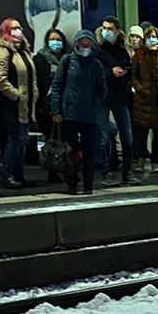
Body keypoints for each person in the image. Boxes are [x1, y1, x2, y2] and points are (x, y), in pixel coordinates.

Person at [49, 30, 109, 196]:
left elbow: (102, 90)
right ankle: (72, 184)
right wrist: (56, 110)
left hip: (89, 116)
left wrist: (94, 103)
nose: (85, 47)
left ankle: (88, 185)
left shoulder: (96, 65)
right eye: (81, 43)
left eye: (88, 43)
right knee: (70, 152)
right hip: (69, 115)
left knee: (89, 152)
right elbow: (57, 86)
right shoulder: (67, 61)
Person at [0, 18, 39, 189]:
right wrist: (16, 95)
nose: (18, 31)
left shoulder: (24, 51)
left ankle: (18, 174)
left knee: (21, 139)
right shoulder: (2, 50)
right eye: (14, 28)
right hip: (10, 105)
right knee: (16, 139)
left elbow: (31, 76)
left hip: (25, 104)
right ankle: (6, 171)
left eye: (19, 28)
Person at [95, 16, 139, 187]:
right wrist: (109, 73)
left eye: (110, 28)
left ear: (118, 31)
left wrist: (124, 74)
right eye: (104, 28)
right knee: (103, 136)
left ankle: (128, 170)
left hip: (120, 97)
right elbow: (96, 74)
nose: (106, 31)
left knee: (127, 136)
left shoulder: (122, 50)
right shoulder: (97, 50)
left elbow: (130, 70)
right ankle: (105, 171)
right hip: (103, 97)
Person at [131, 25, 158, 176]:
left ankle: (156, 161)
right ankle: (140, 159)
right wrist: (140, 89)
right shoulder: (139, 55)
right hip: (143, 100)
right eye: (149, 36)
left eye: (154, 36)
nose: (151, 39)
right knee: (141, 132)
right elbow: (133, 76)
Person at [34, 28, 69, 183]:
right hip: (47, 105)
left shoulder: (68, 58)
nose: (56, 42)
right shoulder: (40, 59)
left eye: (59, 39)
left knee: (67, 139)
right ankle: (52, 170)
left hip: (66, 104)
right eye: (53, 39)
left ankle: (69, 168)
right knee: (52, 139)